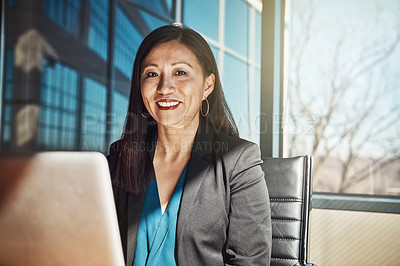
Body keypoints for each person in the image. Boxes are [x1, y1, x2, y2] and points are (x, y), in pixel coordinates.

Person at [107, 24, 271, 266]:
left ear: (207, 85)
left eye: (180, 72)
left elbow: (251, 262)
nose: (164, 87)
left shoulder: (238, 161)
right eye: (152, 74)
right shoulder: (120, 157)